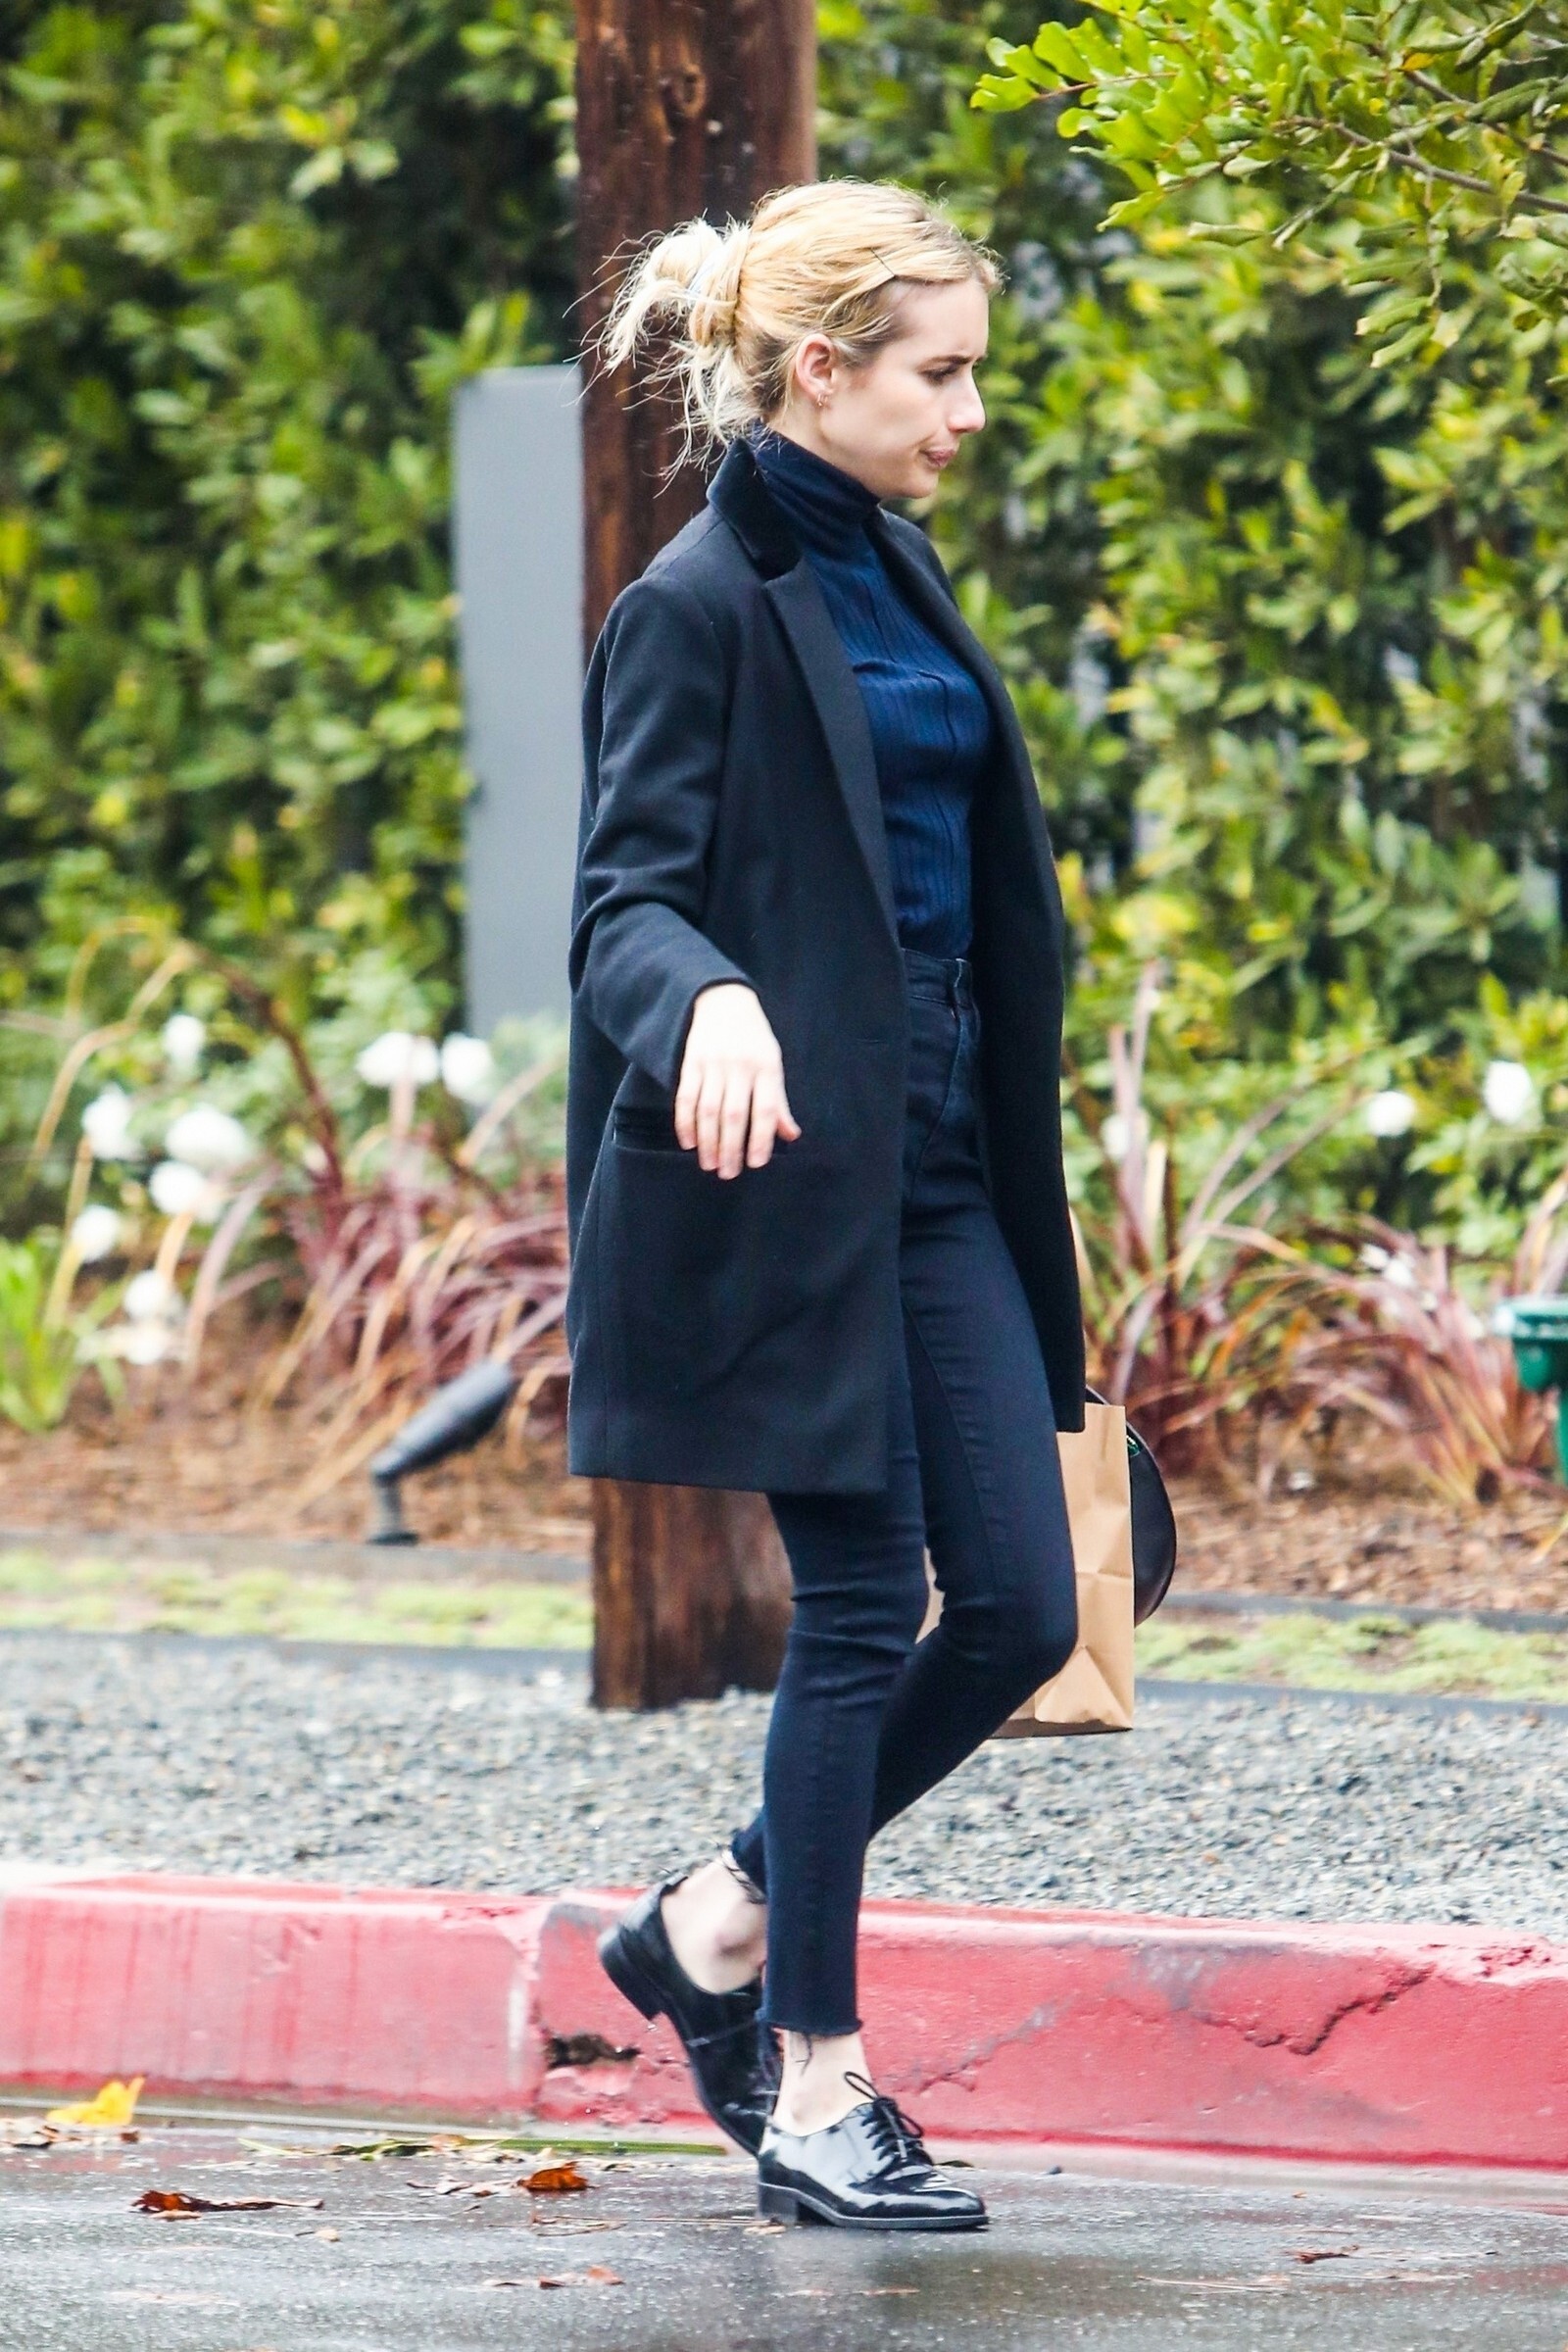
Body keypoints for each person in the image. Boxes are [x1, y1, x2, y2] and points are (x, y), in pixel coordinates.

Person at [566, 178, 1083, 2232]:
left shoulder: (896, 561)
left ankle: (706, 1920)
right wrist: (704, 998)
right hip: (789, 1178)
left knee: (1028, 1606)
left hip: (943, 1160)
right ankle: (813, 2079)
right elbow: (622, 904)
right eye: (938, 374)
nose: (968, 411)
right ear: (819, 371)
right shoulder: (696, 603)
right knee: (865, 1609)